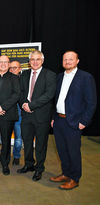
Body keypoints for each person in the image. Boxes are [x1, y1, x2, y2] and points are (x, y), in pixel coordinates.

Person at [50, 51, 97, 190]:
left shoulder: (86, 78)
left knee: (73, 151)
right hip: (59, 120)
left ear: (77, 61)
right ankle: (66, 174)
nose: (68, 62)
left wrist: (84, 121)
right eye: (65, 59)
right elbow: (56, 100)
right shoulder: (59, 77)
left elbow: (91, 102)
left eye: (71, 59)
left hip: (74, 121)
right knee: (62, 150)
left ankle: (74, 179)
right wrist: (54, 117)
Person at [17, 50, 56, 181]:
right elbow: (20, 92)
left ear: (42, 61)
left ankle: (39, 168)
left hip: (41, 117)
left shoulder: (50, 75)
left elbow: (49, 95)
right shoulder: (24, 74)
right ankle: (28, 165)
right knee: (27, 142)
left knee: (40, 144)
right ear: (29, 62)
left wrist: (31, 105)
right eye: (32, 59)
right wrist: (23, 104)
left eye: (37, 59)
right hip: (26, 115)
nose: (34, 62)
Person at [9, 61, 23, 165]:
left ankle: (16, 156)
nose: (13, 69)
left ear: (20, 69)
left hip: (19, 113)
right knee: (5, 136)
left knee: (18, 138)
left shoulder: (24, 81)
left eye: (15, 67)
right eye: (11, 68)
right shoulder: (5, 79)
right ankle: (3, 154)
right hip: (7, 112)